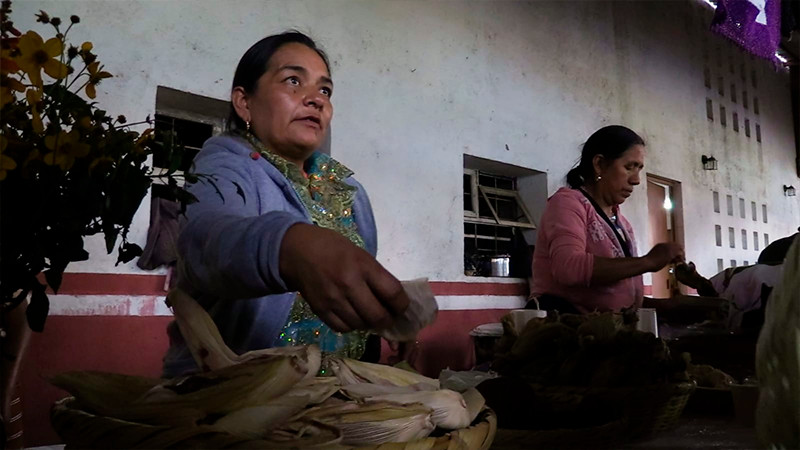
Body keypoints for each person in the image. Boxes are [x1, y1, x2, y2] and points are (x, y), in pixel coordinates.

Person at [162, 32, 410, 377]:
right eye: (294, 81)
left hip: (337, 399)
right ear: (244, 102)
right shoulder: (225, 162)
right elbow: (206, 241)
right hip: (240, 401)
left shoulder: (347, 188)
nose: (316, 100)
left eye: (325, 90)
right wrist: (289, 246)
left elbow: (350, 279)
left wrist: (383, 315)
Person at [528, 125, 684, 313]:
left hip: (608, 331)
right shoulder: (568, 203)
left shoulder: (621, 223)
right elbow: (568, 268)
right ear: (599, 164)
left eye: (639, 169)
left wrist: (667, 306)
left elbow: (617, 297)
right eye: (629, 167)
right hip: (570, 331)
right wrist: (648, 262)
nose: (636, 180)